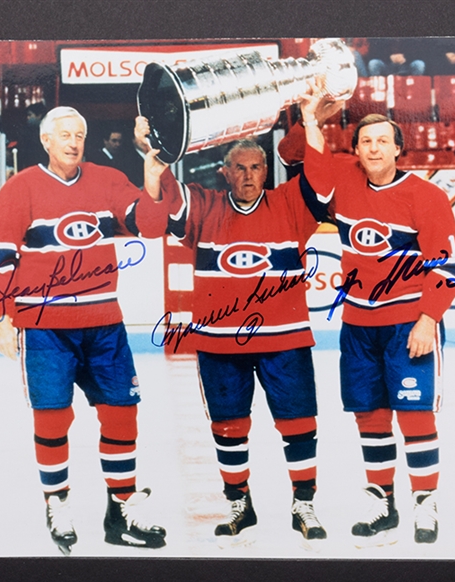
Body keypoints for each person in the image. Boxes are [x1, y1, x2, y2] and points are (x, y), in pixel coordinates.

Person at [0, 106, 178, 555]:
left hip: (104, 323)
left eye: (80, 134)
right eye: (64, 134)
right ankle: (58, 504)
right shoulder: (19, 189)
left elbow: (150, 225)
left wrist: (151, 171)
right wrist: (1, 316)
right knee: (52, 418)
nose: (73, 141)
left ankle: (121, 510)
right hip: (45, 326)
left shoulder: (107, 179)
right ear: (46, 141)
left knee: (122, 413)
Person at [279, 81, 455, 546]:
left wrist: (428, 320)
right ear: (356, 149)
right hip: (359, 325)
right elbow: (295, 156)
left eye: (383, 140)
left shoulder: (426, 197)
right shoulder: (343, 178)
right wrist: (311, 117)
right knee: (371, 416)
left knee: (416, 416)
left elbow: (452, 267)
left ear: (399, 149)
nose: (374, 147)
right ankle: (382, 504)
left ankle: (426, 503)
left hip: (409, 325)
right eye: (365, 141)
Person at [135, 118, 328, 546]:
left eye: (256, 167)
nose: (247, 176)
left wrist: (311, 119)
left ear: (267, 170)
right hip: (220, 342)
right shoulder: (203, 205)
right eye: (238, 168)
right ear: (224, 172)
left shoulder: (290, 204)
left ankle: (304, 503)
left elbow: (320, 174)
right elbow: (165, 185)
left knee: (298, 423)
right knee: (228, 426)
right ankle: (239, 502)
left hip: (285, 339)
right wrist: (149, 139)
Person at [15, 102, 50, 171]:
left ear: (39, 115)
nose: (28, 118)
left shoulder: (27, 132)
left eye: (30, 115)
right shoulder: (49, 131)